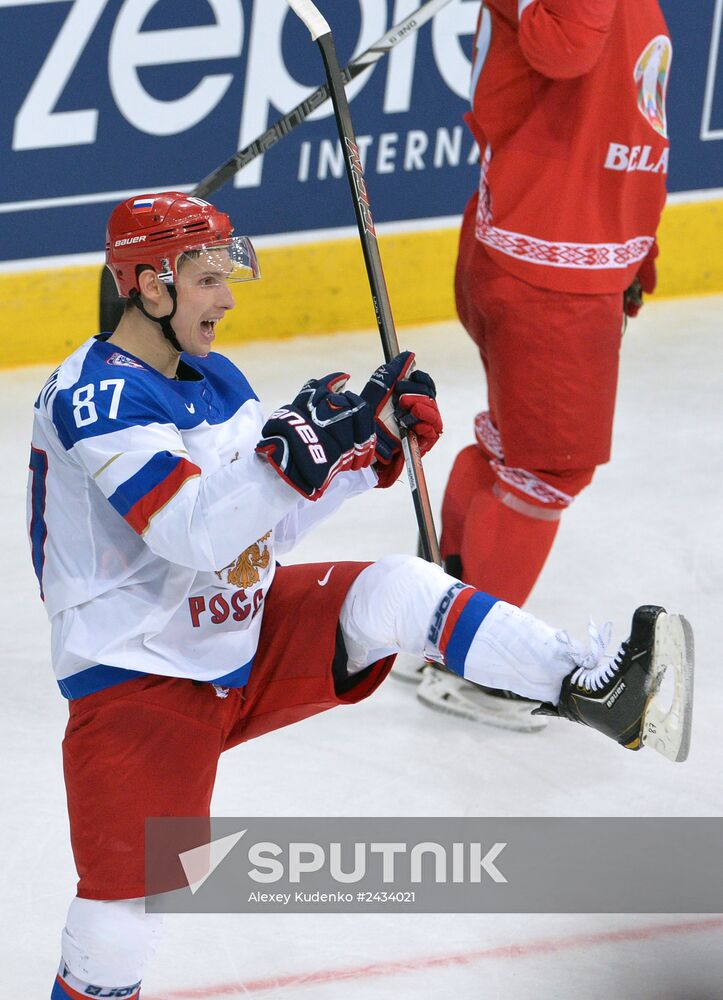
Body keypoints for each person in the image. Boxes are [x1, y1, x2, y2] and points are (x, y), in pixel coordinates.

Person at [29, 192, 691, 1000]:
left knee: (398, 590)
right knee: (122, 922)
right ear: (150, 286)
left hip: (239, 634)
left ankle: (588, 689)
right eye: (206, 280)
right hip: (136, 676)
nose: (227, 298)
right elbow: (192, 533)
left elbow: (254, 539)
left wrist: (357, 452)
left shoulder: (218, 379)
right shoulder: (93, 398)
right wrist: (298, 454)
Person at [396, 0, 673, 728]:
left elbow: (630, 112)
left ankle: (429, 630)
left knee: (510, 448)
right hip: (551, 267)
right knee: (547, 469)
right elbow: (567, 48)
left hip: (548, 246)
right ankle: (476, 668)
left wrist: (636, 243)